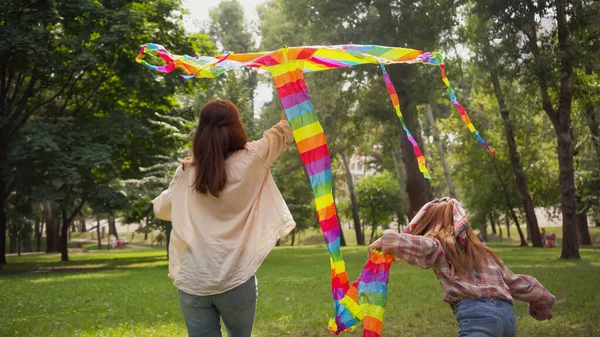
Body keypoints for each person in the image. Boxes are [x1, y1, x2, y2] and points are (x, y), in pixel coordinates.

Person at [153, 99, 295, 337]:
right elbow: (287, 124)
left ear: (200, 131)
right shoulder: (254, 159)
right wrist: (288, 78)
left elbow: (162, 209)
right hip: (237, 281)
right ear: (235, 126)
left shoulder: (187, 172)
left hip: (194, 282)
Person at [369, 198, 555, 337]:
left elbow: (424, 246)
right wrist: (544, 303)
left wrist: (386, 241)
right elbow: (517, 283)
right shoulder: (486, 255)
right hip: (508, 320)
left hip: (478, 319)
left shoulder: (440, 246)